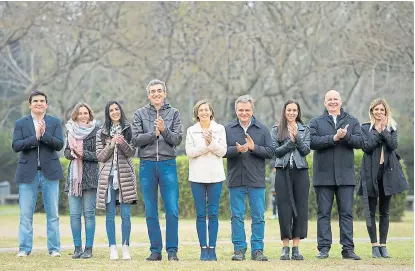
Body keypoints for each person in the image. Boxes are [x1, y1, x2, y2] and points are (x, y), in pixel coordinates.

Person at [131, 79, 182, 261]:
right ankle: (155, 250)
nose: (156, 94)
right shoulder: (139, 114)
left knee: (172, 209)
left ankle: (172, 251)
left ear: (165, 93)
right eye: (153, 91)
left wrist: (164, 130)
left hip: (168, 164)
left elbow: (177, 139)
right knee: (151, 210)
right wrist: (155, 133)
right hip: (147, 164)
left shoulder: (174, 113)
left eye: (159, 90)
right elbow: (135, 139)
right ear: (148, 95)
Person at [309, 90, 362, 260]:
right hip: (323, 176)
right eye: (329, 99)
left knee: (346, 213)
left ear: (341, 101)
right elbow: (311, 142)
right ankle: (323, 248)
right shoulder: (316, 122)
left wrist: (346, 136)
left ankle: (348, 249)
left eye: (335, 99)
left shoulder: (352, 121)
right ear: (325, 103)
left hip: (345, 176)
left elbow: (360, 142)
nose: (333, 102)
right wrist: (333, 138)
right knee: (323, 213)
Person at [12, 90, 64, 257]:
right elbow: (16, 145)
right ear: (30, 105)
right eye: (35, 101)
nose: (39, 103)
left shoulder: (55, 122)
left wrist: (44, 135)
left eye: (42, 100)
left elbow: (59, 145)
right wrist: (35, 137)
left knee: (53, 214)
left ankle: (54, 249)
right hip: (27, 173)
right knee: (26, 214)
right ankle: (24, 249)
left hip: (50, 173)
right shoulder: (21, 123)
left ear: (46, 104)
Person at [224, 95, 274, 261]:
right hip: (235, 179)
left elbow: (271, 152)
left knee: (258, 216)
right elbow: (222, 151)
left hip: (256, 180)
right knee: (236, 216)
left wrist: (254, 148)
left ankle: (257, 250)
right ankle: (239, 249)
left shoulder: (262, 129)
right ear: (236, 110)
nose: (244, 113)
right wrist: (235, 150)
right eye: (241, 110)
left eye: (247, 110)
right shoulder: (228, 128)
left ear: (252, 110)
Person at [357, 98, 408, 258]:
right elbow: (366, 147)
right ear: (371, 111)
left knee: (385, 211)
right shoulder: (365, 128)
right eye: (376, 110)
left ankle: (383, 245)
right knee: (370, 211)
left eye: (382, 110)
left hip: (387, 173)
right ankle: (374, 246)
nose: (379, 112)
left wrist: (384, 131)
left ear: (386, 112)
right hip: (370, 173)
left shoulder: (392, 128)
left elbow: (393, 146)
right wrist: (378, 131)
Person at [96, 101, 138, 260]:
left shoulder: (129, 129)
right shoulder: (101, 132)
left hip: (125, 177)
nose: (114, 112)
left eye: (117, 109)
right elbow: (99, 156)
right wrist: (112, 144)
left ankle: (125, 247)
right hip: (107, 178)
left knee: (126, 215)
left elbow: (132, 152)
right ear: (108, 113)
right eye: (111, 110)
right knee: (110, 215)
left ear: (121, 110)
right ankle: (112, 247)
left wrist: (123, 143)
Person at [185, 100, 227, 261]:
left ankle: (213, 249)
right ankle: (203, 248)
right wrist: (207, 145)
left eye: (206, 110)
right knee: (201, 214)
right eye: (201, 110)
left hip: (216, 177)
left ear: (211, 112)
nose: (204, 112)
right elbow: (190, 152)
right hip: (197, 177)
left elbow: (222, 151)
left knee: (214, 213)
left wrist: (211, 142)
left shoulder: (220, 129)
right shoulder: (191, 131)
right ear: (197, 113)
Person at [271, 99, 310, 260]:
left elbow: (306, 150)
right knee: (284, 209)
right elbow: (276, 152)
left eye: (294, 110)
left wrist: (297, 139)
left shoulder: (305, 129)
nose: (292, 113)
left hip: (300, 172)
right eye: (289, 110)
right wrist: (290, 142)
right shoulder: (276, 129)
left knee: (300, 209)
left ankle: (296, 247)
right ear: (284, 112)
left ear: (298, 112)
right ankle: (285, 247)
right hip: (282, 172)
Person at [64, 103, 99, 259]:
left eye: (86, 113)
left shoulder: (96, 131)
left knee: (89, 214)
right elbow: (66, 152)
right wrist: (72, 154)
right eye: (80, 113)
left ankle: (88, 249)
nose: (83, 115)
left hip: (90, 177)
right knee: (74, 215)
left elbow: (99, 155)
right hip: (74, 179)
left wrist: (82, 153)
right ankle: (77, 248)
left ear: (90, 114)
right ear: (75, 115)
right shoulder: (70, 130)